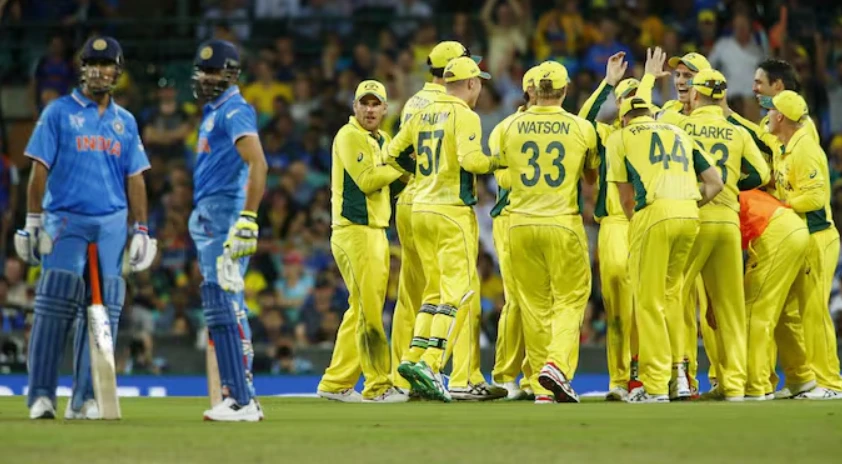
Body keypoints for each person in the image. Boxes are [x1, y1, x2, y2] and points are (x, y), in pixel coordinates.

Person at [17, 37, 154, 420]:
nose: (99, 70)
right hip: (65, 218)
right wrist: (32, 221)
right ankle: (42, 395)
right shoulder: (58, 112)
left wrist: (141, 229)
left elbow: (136, 177)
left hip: (111, 222)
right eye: (93, 63)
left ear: (118, 71)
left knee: (104, 309)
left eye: (106, 64)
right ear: (82, 69)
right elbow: (38, 169)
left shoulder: (125, 121)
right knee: (54, 303)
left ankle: (86, 398)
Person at [389, 41, 504, 401]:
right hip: (449, 210)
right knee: (458, 292)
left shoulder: (418, 108)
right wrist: (500, 161)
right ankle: (434, 362)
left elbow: (392, 153)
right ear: (470, 83)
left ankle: (413, 358)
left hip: (417, 205)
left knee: (433, 292)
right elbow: (472, 162)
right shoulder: (464, 114)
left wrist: (424, 174)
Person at [606, 97, 723, 403]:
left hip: (653, 214)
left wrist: (641, 224)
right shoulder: (679, 132)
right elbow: (715, 182)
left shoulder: (620, 137)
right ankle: (680, 376)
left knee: (647, 301)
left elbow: (626, 198)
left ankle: (656, 384)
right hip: (688, 214)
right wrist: (686, 204)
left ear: (625, 116)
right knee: (672, 298)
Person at [494, 60, 599, 404]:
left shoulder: (509, 127)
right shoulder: (581, 128)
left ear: (533, 91)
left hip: (520, 224)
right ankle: (556, 365)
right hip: (562, 223)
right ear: (566, 90)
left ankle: (542, 389)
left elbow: (500, 171)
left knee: (535, 307)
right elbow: (590, 178)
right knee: (569, 301)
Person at [679, 69, 770, 402]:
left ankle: (677, 375)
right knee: (730, 307)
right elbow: (761, 173)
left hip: (695, 217)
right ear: (721, 97)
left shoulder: (682, 126)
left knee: (676, 297)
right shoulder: (737, 131)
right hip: (728, 222)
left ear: (697, 95)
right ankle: (735, 384)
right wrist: (732, 187)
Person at [190, 39, 268, 421]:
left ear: (231, 74)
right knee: (223, 305)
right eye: (202, 71)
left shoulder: (234, 109)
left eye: (214, 71)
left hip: (225, 217)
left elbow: (258, 163)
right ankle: (237, 394)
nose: (206, 78)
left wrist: (247, 219)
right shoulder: (213, 111)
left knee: (227, 305)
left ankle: (241, 398)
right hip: (211, 216)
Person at [316, 80, 407, 403]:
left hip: (374, 232)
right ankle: (378, 386)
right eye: (364, 103)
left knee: (360, 310)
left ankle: (336, 382)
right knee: (368, 311)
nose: (370, 109)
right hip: (354, 232)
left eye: (375, 104)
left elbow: (392, 185)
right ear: (354, 107)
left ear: (385, 109)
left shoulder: (382, 139)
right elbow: (368, 181)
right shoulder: (349, 135)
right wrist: (401, 164)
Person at [762, 91, 842, 399]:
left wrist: (780, 203)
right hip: (800, 236)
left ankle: (830, 382)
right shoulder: (786, 147)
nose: (766, 115)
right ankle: (803, 378)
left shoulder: (805, 148)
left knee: (814, 311)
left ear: (781, 117)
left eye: (770, 112)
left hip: (817, 236)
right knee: (788, 311)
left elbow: (815, 198)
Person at [576, 52, 638, 401]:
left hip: (645, 223)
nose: (631, 107)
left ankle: (653, 375)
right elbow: (583, 120)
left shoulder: (653, 133)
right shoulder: (604, 135)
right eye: (625, 100)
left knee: (650, 304)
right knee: (617, 305)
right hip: (614, 225)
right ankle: (620, 378)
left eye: (636, 100)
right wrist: (608, 83)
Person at [488, 64, 541, 401]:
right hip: (511, 217)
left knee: (541, 301)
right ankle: (506, 376)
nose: (544, 93)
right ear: (528, 92)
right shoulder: (506, 128)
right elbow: (502, 177)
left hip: (544, 219)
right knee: (517, 300)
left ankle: (535, 375)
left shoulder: (559, 123)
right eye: (539, 88)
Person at [739, 189, 814, 400]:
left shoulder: (710, 203)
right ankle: (801, 376)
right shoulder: (742, 191)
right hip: (797, 228)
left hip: (774, 231)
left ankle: (755, 384)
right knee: (784, 313)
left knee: (754, 311)